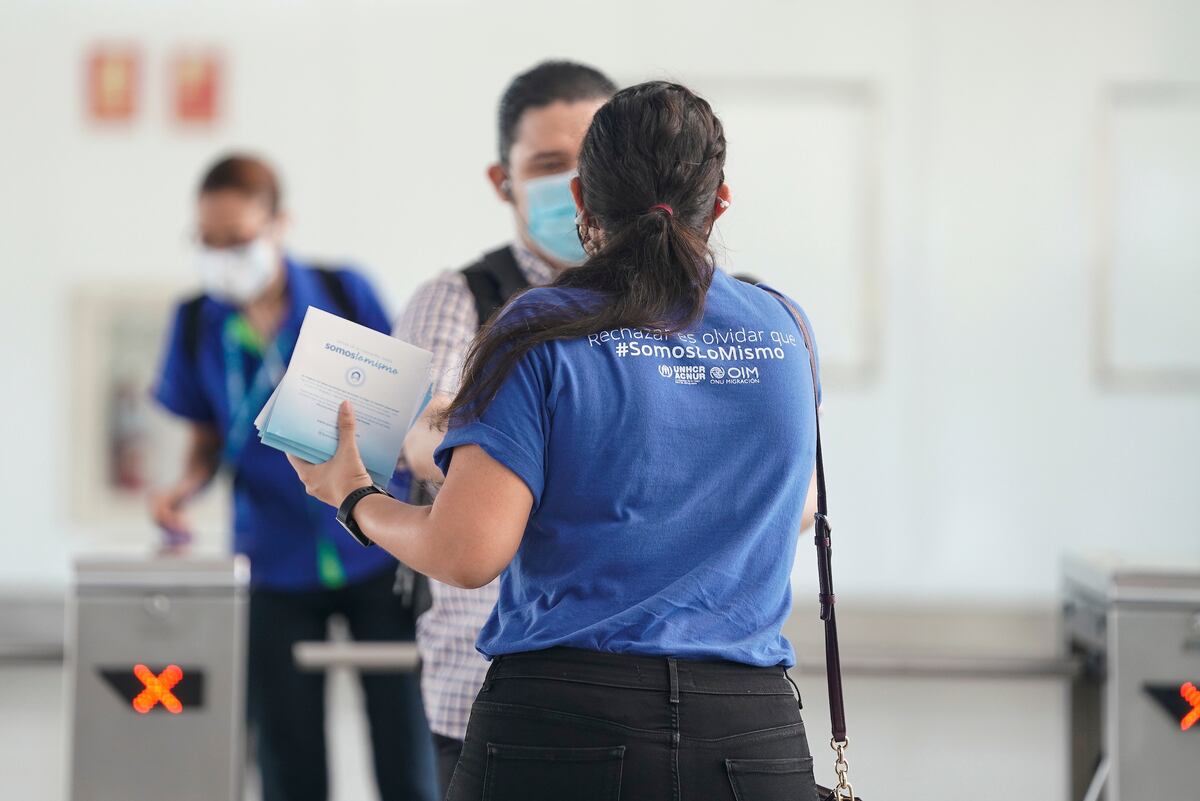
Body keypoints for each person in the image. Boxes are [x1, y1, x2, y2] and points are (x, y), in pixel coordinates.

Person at [288, 81, 823, 800]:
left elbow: (466, 553)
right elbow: (798, 510)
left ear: (581, 200)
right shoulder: (786, 328)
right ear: (720, 200)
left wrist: (353, 496)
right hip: (750, 732)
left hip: (564, 726)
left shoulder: (540, 328)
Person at [150, 155, 437, 801]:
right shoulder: (197, 320)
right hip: (271, 561)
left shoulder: (342, 291)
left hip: (373, 547)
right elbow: (203, 436)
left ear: (280, 224)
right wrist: (181, 489)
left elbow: (400, 394)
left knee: (407, 752)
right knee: (288, 758)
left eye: (239, 240)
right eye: (209, 242)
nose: (224, 255)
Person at [392, 60, 617, 792]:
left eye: (593, 161)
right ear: (504, 180)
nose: (577, 185)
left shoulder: (670, 302)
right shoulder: (461, 299)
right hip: (485, 681)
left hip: (633, 688)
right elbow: (424, 437)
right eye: (550, 165)